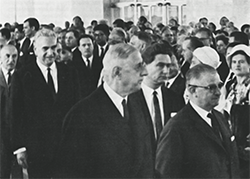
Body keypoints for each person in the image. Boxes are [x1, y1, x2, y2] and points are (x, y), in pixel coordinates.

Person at [53, 43, 154, 179]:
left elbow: (146, 163)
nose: (145, 72)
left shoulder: (138, 103)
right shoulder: (81, 115)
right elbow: (69, 173)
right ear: (117, 73)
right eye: (138, 66)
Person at [10, 28, 80, 179]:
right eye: (45, 48)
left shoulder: (69, 72)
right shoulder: (22, 76)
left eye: (54, 48)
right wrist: (19, 147)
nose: (51, 52)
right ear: (35, 50)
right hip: (36, 148)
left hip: (66, 147)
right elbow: (15, 113)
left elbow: (77, 109)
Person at [156, 64, 240, 179]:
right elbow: (166, 173)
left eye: (219, 86)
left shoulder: (219, 117)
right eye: (211, 87)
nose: (218, 92)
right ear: (192, 90)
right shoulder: (176, 128)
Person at [129, 43, 184, 155]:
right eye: (160, 65)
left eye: (168, 66)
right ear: (144, 65)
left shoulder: (175, 98)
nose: (166, 71)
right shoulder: (129, 98)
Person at [222, 44, 250, 178]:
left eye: (241, 62)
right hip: (233, 134)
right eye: (234, 62)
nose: (237, 65)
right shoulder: (230, 85)